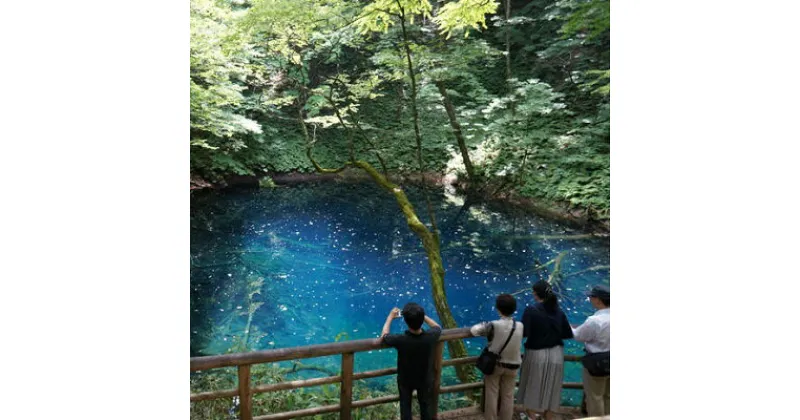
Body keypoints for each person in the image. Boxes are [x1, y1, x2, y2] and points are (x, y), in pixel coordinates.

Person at [517, 280, 574, 420]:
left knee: (532, 384)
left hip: (536, 353)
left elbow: (524, 333)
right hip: (556, 353)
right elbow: (567, 334)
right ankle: (549, 415)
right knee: (553, 386)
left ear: (536, 294)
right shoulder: (559, 312)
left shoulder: (531, 310)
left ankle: (531, 416)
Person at [379, 302, 442, 420]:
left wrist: (390, 317)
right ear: (422, 319)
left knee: (405, 407)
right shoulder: (430, 336)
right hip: (425, 378)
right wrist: (422, 316)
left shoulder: (401, 339)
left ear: (406, 321)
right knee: (425, 406)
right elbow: (437, 327)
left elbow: (384, 336)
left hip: (405, 380)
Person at [469, 294, 524, 420]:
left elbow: (474, 330)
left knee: (492, 394)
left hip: (496, 365)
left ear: (498, 309)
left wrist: (483, 324)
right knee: (508, 396)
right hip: (514, 365)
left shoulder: (493, 325)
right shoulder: (520, 325)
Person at [572, 285, 610, 417]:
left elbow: (579, 336)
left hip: (597, 363)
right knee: (609, 396)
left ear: (598, 300)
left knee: (595, 397)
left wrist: (568, 327)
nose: (590, 299)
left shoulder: (595, 321)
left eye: (592, 297)